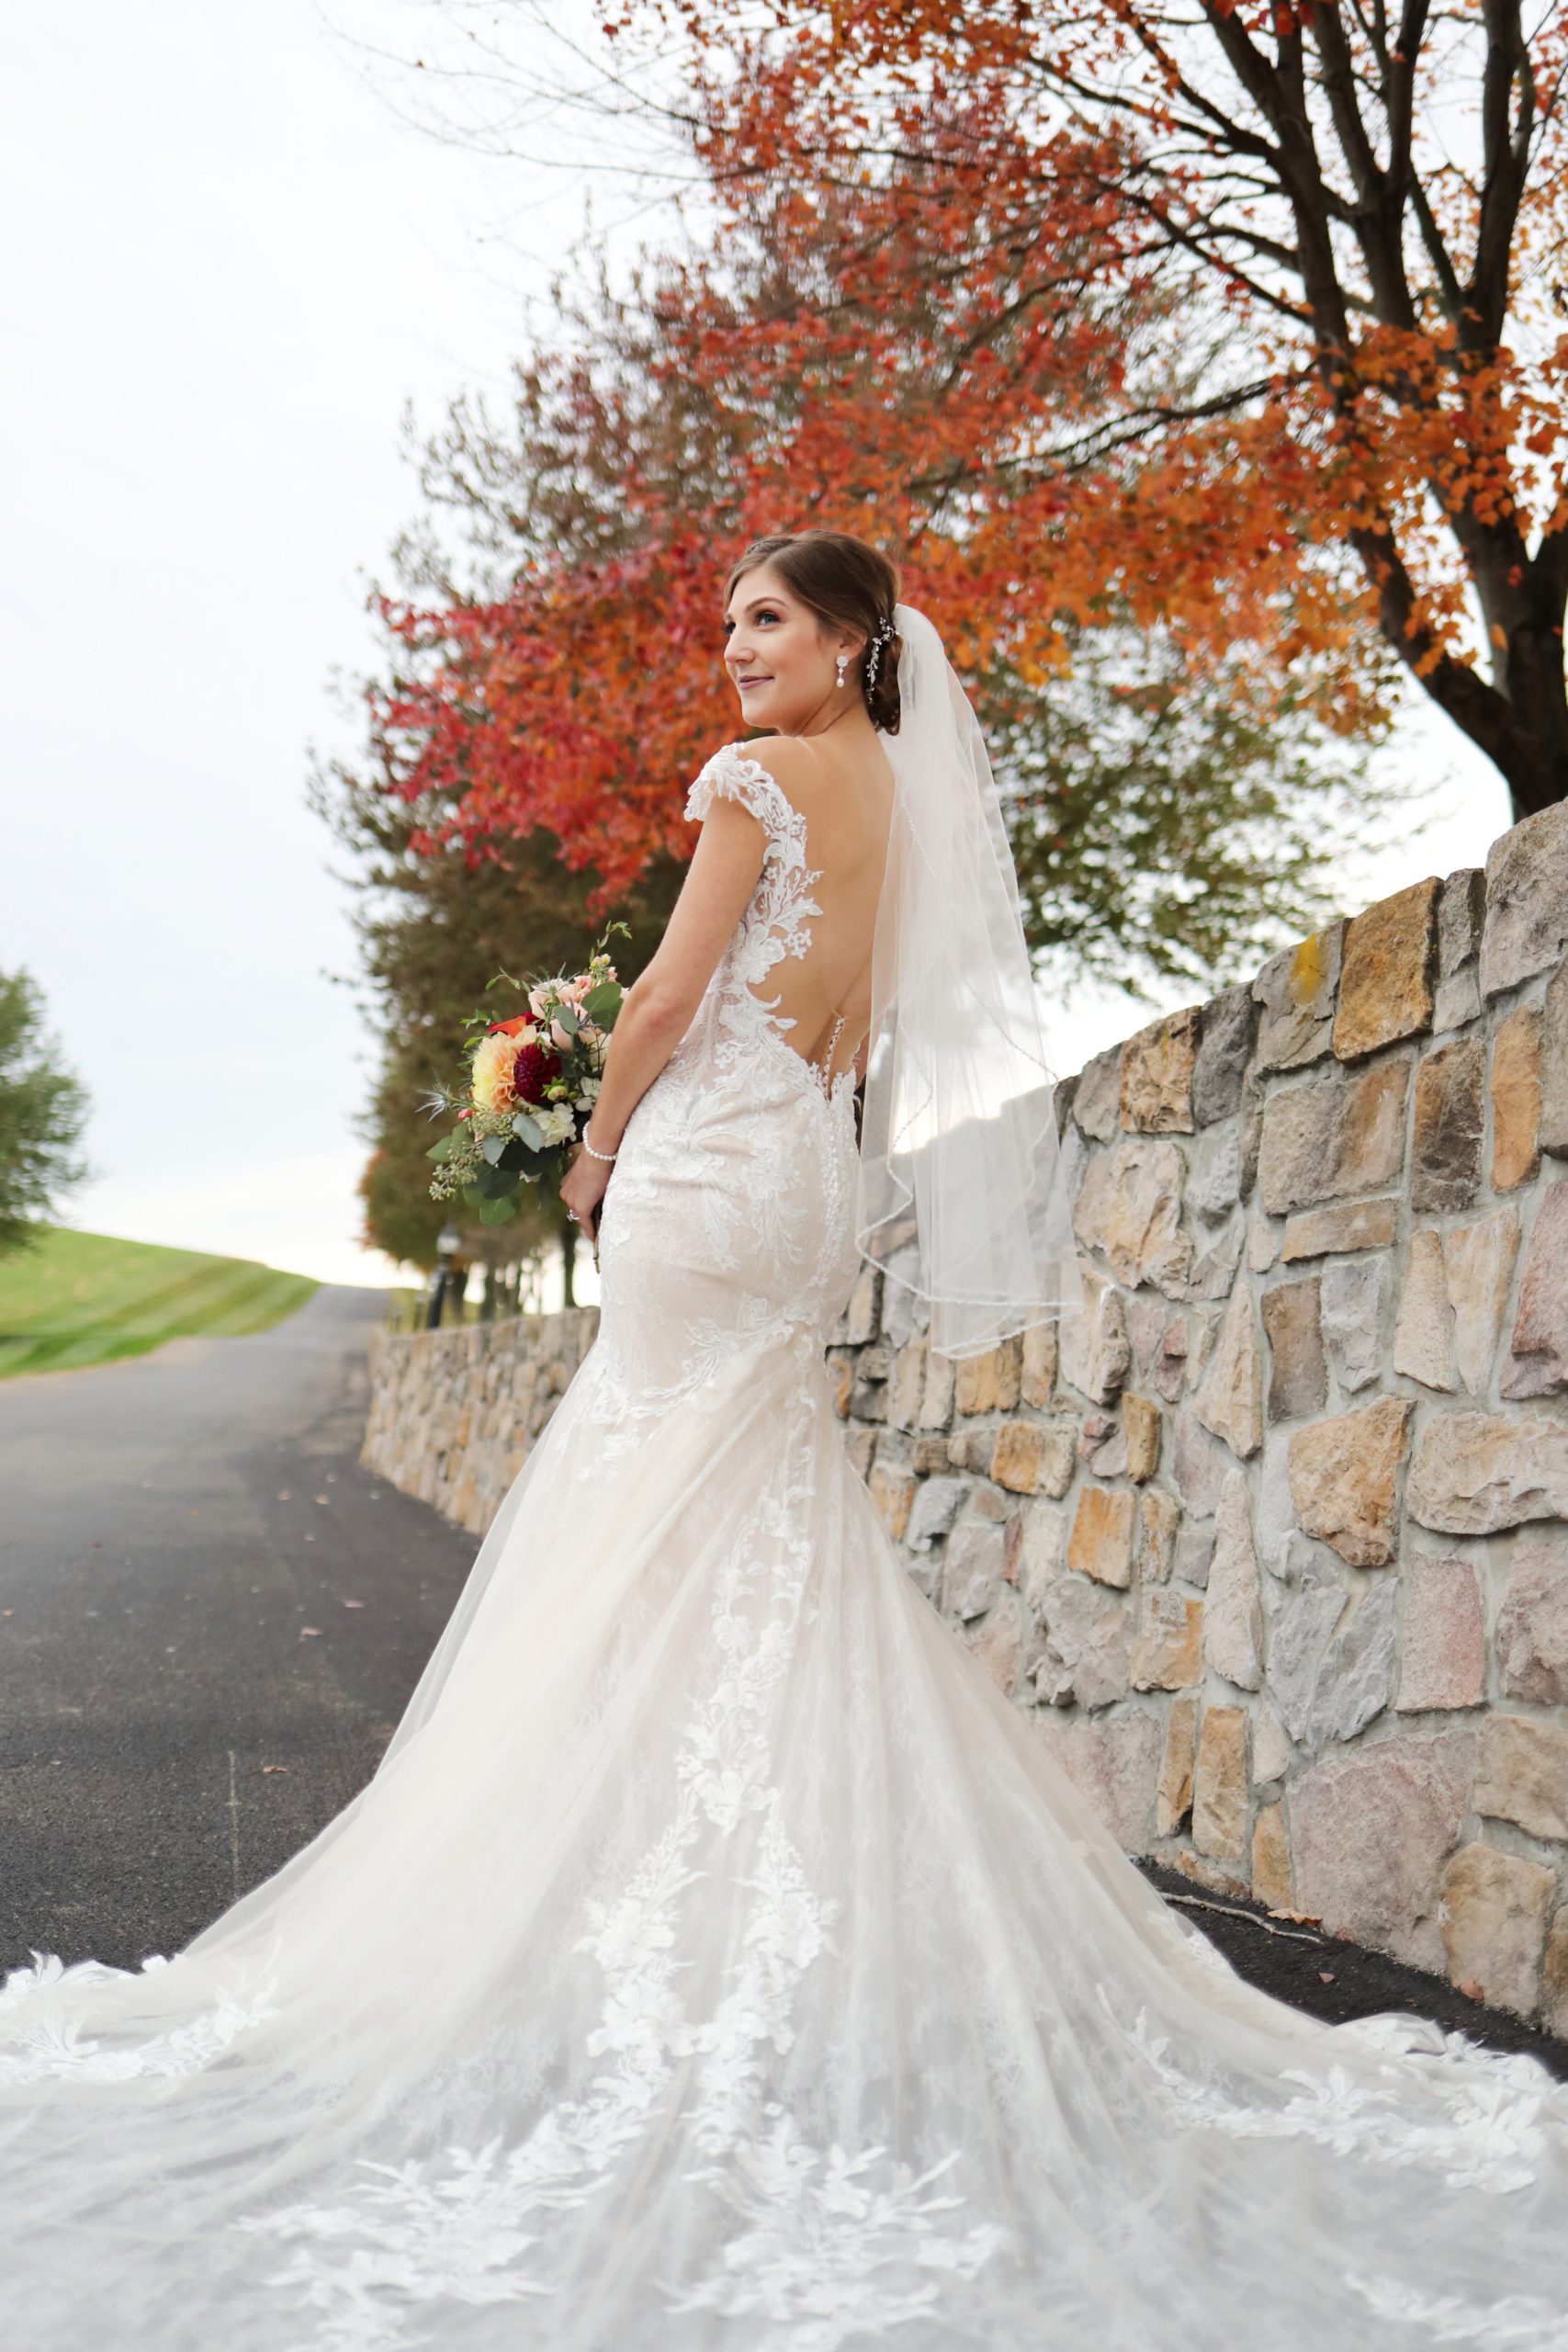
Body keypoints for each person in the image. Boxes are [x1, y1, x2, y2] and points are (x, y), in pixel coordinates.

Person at [1, 528, 1564, 2350]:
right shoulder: (904, 799)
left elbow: (665, 999)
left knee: (621, 1526)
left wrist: (588, 1143)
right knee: (741, 1530)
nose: (734, 649)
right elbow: (865, 1030)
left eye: (765, 618)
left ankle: (605, 1925)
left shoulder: (752, 778)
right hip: (803, 1185)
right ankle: (706, 1922)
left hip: (702, 1180)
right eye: (729, 623)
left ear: (846, 637)